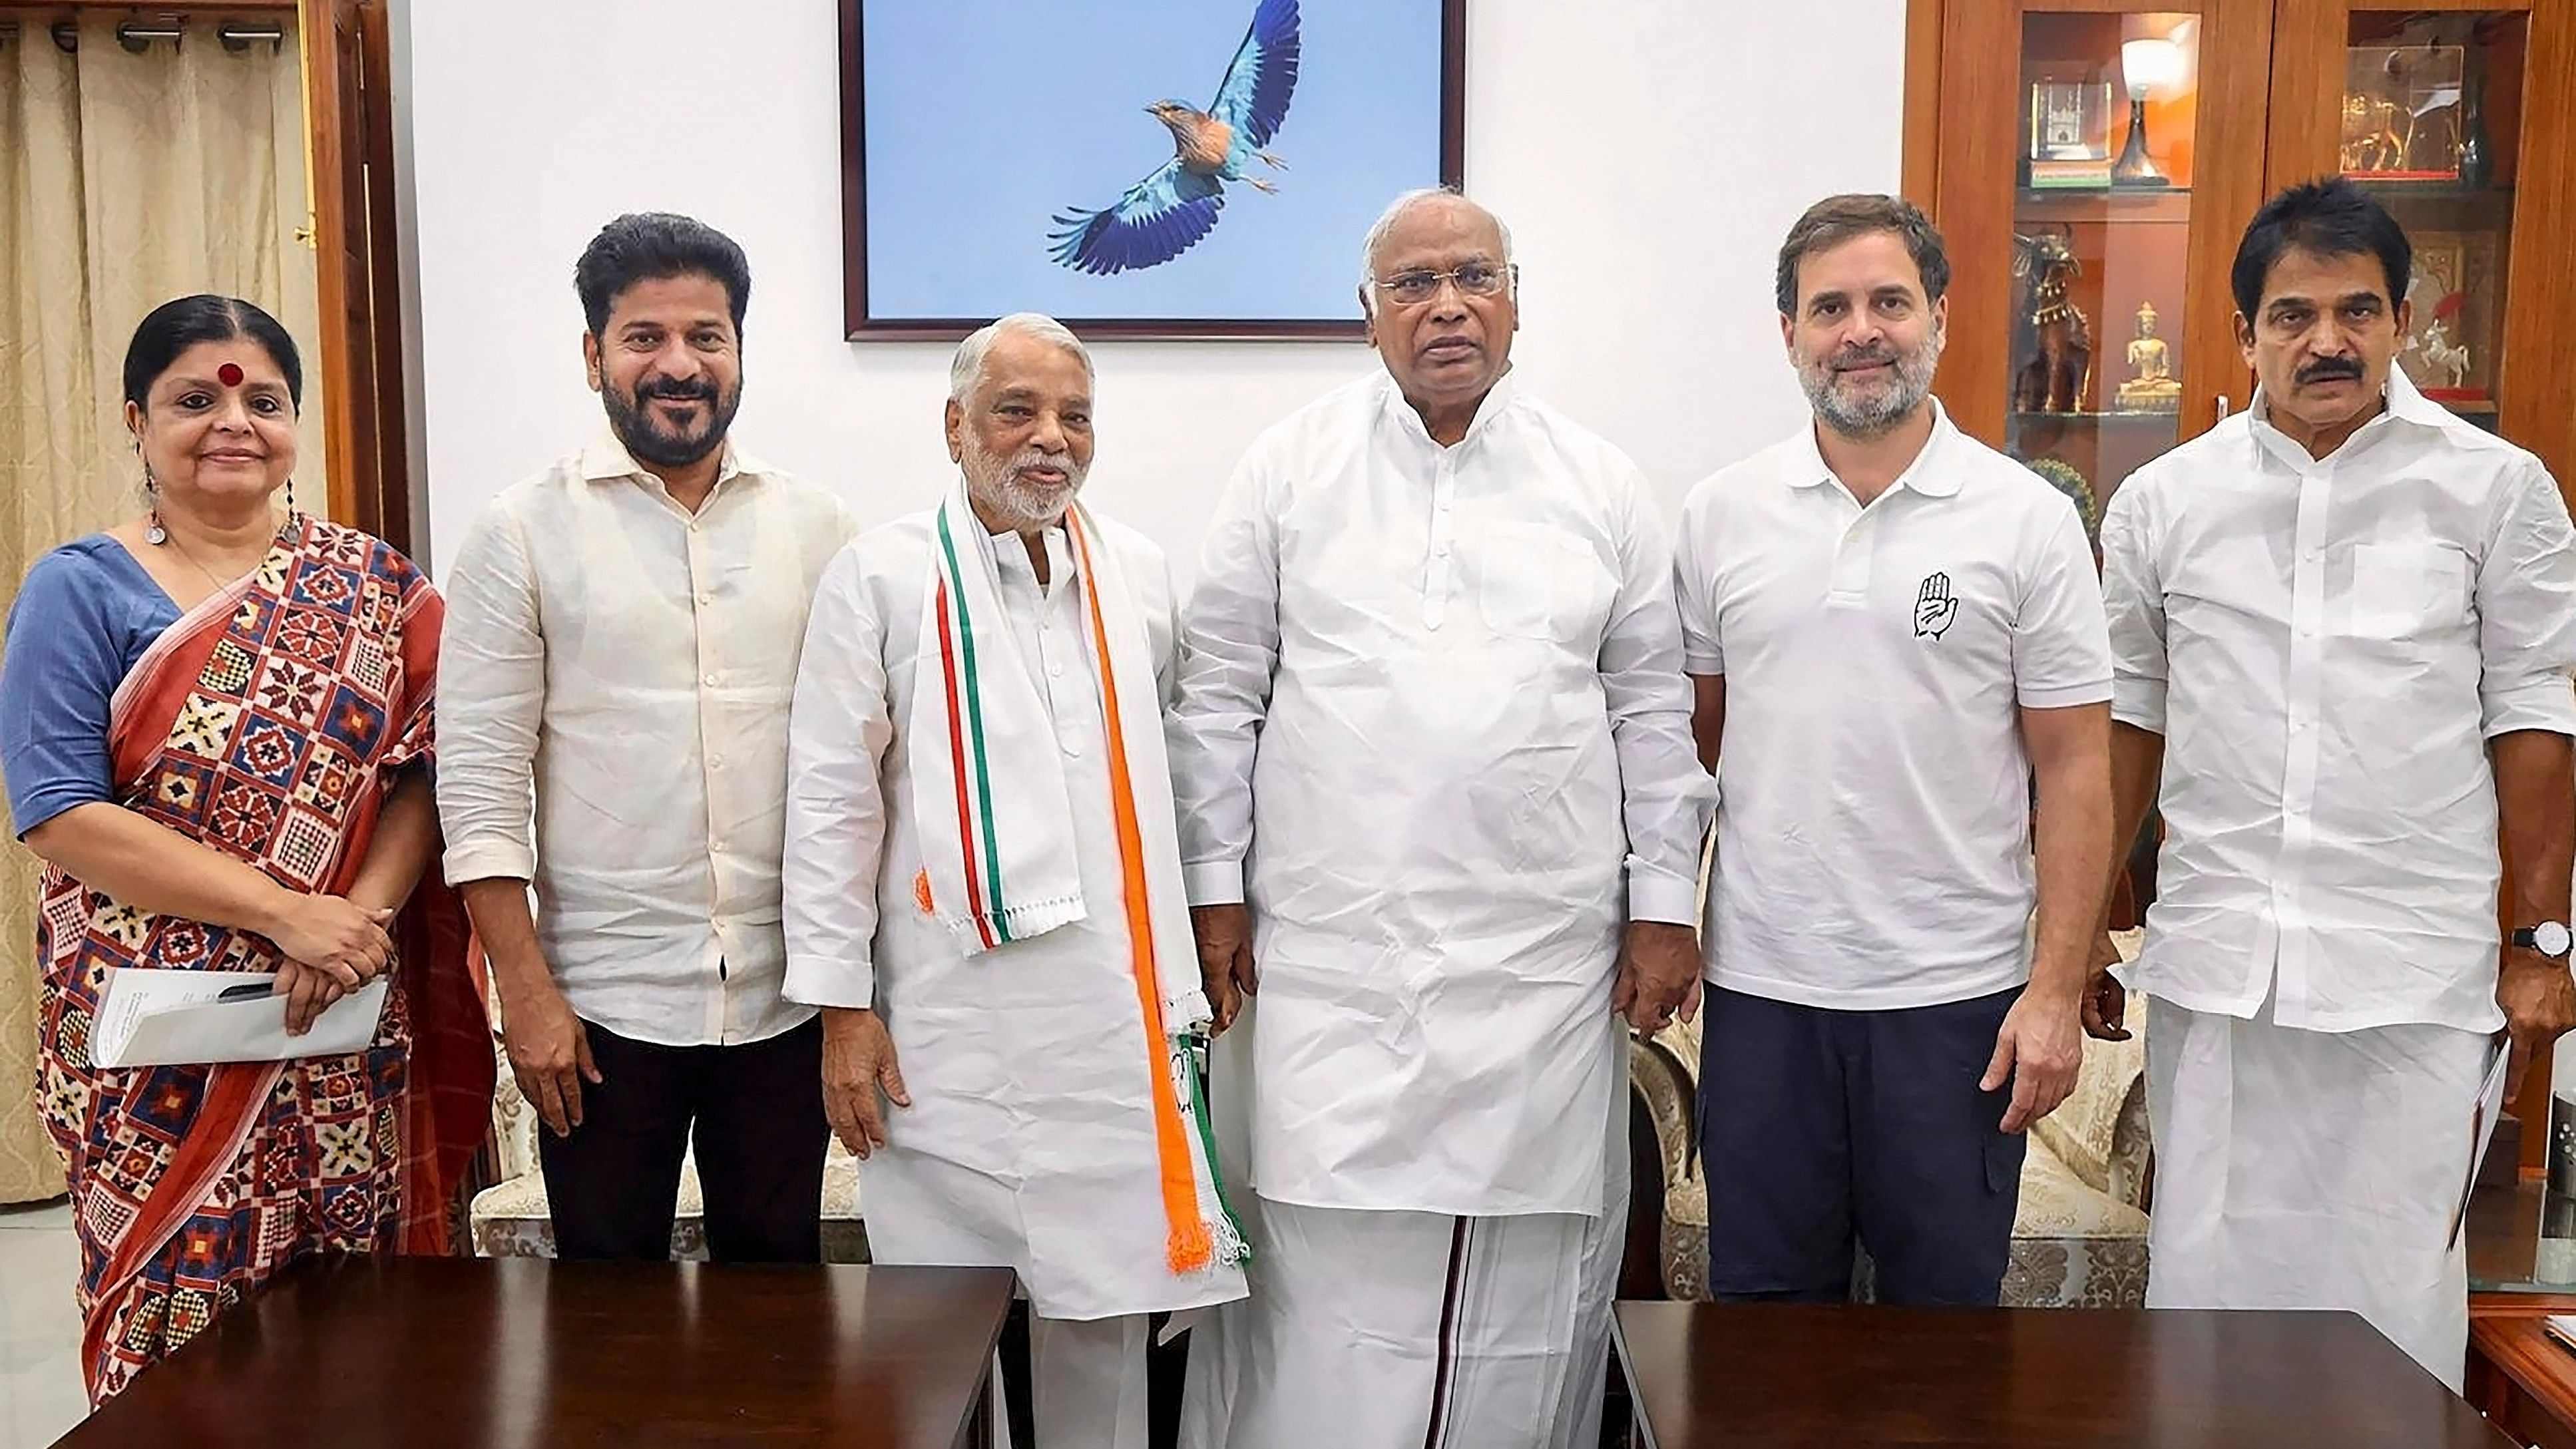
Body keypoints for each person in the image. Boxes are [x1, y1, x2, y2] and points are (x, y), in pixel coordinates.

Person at [1170, 189, 1711, 1449]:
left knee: (1520, 1290)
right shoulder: (1286, 468)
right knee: (1321, 1276)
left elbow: (1651, 712)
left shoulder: (1601, 483)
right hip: (1329, 966)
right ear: (1368, 317)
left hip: (1537, 970)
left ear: (1518, 300)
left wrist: (1666, 908)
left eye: (1473, 275)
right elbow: (1219, 696)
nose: (1447, 304)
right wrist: (1212, 888)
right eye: (1413, 284)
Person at [2091, 176, 2576, 1388]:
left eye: (2356, 311)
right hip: (2219, 969)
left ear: (2400, 320)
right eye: (2292, 315)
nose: (2326, 342)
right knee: (2203, 1282)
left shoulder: (2495, 490)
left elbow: (2535, 721)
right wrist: (2079, 931)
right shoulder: (2162, 504)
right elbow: (2125, 724)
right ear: (2243, 332)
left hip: (2409, 972)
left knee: (2392, 1294)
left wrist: (2540, 939)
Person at [0, 295, 490, 1402]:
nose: (232, 421)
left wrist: (354, 918)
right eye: (193, 398)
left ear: (294, 424)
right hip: (156, 1046)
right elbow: (59, 810)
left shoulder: (372, 582)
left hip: (339, 1019)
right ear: (136, 421)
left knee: (359, 1334)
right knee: (182, 1355)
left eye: (262, 400)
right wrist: (285, 912)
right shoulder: (79, 588)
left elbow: (425, 766)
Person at [781, 313, 1248, 1448]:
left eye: (1073, 415)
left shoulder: (1133, 572)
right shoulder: (883, 575)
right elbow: (831, 802)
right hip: (949, 1024)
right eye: (1016, 410)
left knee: (1105, 1308)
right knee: (943, 1329)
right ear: (954, 427)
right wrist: (843, 1010)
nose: (1050, 439)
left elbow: (1179, 775)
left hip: (1110, 1023)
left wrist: (1208, 919)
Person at [1675, 194, 2114, 1307]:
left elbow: (2072, 769)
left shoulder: (2025, 518)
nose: (1860, 330)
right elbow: (1688, 747)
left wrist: (2055, 989)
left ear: (1940, 321)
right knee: (1766, 1333)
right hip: (1763, 995)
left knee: (1943, 1339)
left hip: (1955, 1004)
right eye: (1829, 307)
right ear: (1788, 334)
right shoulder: (1720, 515)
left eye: (1888, 302)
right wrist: (1663, 922)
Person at [437, 214, 857, 1263]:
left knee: (777, 1309)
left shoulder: (820, 528)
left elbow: (863, 771)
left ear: (739, 352)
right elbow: (481, 790)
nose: (679, 365)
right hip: (599, 1013)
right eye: (644, 337)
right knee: (604, 1326)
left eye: (706, 337)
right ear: (594, 357)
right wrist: (525, 999)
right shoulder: (520, 531)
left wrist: (855, 993)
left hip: (782, 998)